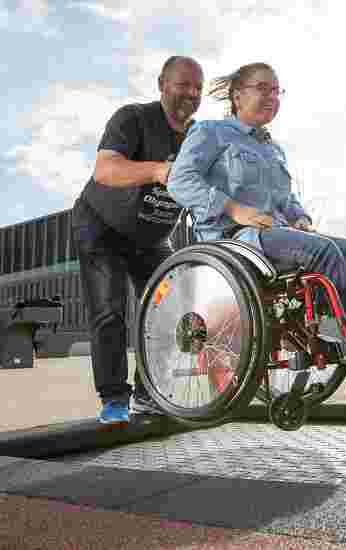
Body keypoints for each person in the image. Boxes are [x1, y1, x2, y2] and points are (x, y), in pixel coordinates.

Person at [166, 62, 346, 394]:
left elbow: (285, 200)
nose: (271, 96)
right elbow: (180, 181)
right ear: (237, 95)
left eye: (276, 91)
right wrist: (233, 208)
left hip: (275, 236)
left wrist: (299, 216)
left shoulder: (272, 148)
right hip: (233, 240)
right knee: (323, 250)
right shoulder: (210, 132)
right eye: (262, 88)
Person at [72, 56, 204, 424]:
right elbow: (105, 169)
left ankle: (148, 394)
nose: (191, 93)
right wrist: (160, 170)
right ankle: (114, 399)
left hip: (149, 238)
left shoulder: (199, 138)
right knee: (110, 310)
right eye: (183, 84)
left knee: (172, 307)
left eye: (198, 88)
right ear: (162, 83)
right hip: (101, 227)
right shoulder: (132, 118)